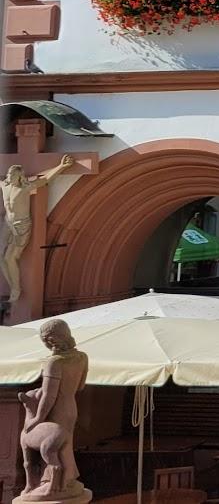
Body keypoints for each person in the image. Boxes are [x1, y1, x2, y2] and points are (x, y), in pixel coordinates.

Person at [19, 319, 89, 501]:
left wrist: (37, 419)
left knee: (53, 448)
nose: (48, 344)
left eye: (47, 340)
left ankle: (53, 484)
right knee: (65, 445)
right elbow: (80, 386)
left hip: (56, 409)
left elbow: (49, 397)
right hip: (71, 407)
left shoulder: (54, 362)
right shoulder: (82, 357)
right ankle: (67, 481)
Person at [1, 155, 73, 302]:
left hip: (21, 225)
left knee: (10, 257)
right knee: (1, 258)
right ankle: (12, 286)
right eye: (9, 175)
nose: (10, 177)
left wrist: (62, 166)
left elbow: (46, 179)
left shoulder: (25, 188)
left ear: (20, 176)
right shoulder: (4, 185)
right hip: (8, 223)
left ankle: (16, 288)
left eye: (13, 175)